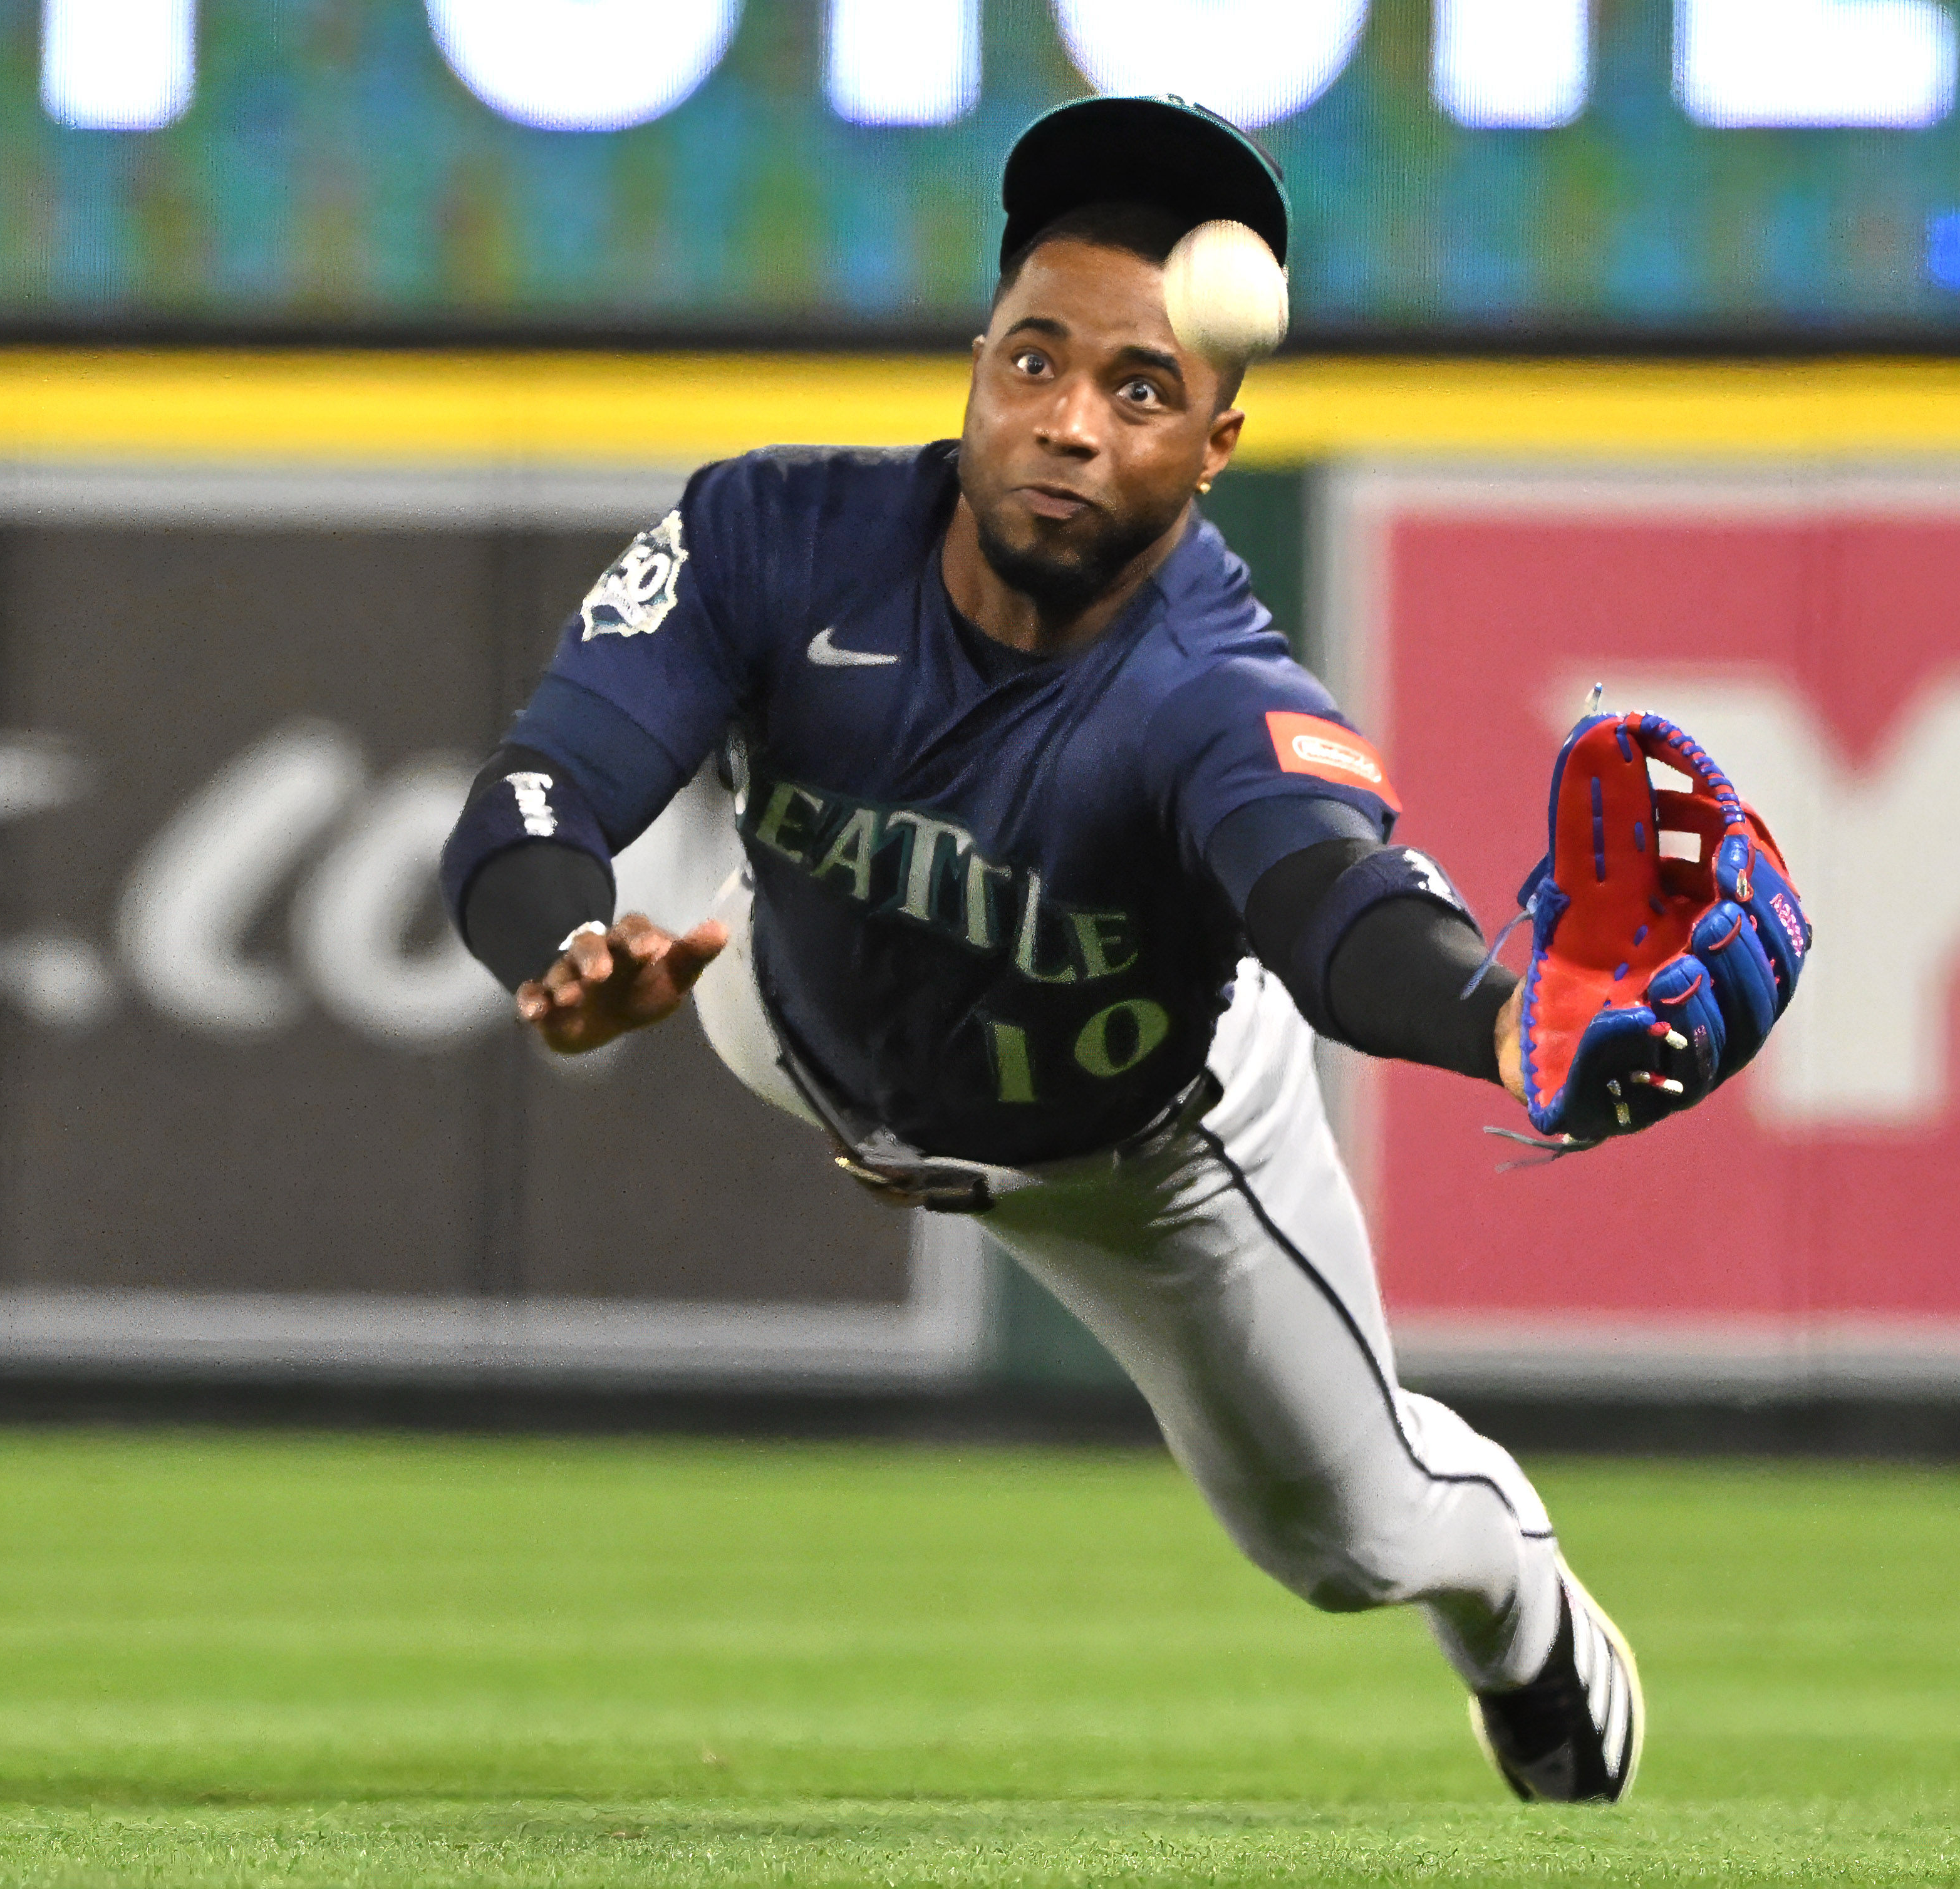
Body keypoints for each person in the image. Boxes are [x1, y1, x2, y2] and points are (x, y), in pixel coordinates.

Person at [440, 95, 1640, 1803]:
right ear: (978, 366)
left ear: (1216, 444)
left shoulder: (1213, 692)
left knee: (1346, 1541)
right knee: (707, 826)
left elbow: (1339, 920)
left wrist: (1514, 1021)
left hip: (1137, 1147)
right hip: (778, 1000)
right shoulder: (774, 532)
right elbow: (535, 793)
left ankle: (1516, 1602)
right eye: (1033, 362)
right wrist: (563, 946)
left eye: (1140, 391)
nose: (1067, 423)